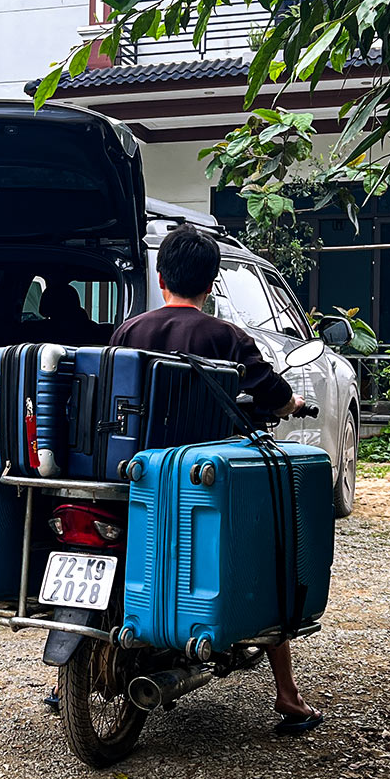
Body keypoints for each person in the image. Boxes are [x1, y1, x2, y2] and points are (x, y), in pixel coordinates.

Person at [109, 224, 321, 735]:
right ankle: (287, 695)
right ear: (211, 283)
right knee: (269, 551)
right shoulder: (226, 337)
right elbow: (271, 393)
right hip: (200, 481)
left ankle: (66, 679)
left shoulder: (127, 332)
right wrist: (292, 402)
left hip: (129, 475)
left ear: (161, 279)